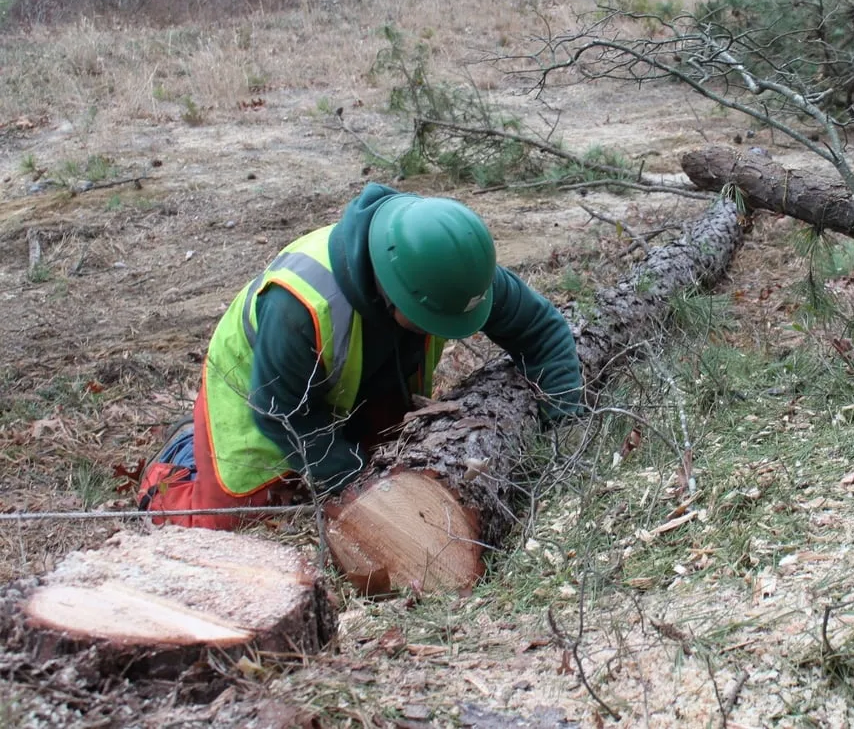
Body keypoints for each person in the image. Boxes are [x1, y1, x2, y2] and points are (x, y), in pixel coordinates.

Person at [137, 183, 583, 529]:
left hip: (356, 381)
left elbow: (541, 330)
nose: (442, 333)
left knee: (395, 459)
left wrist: (566, 423)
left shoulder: (450, 269)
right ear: (392, 293)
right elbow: (281, 414)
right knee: (234, 522)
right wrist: (361, 487)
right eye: (432, 320)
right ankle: (176, 462)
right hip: (264, 396)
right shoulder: (300, 304)